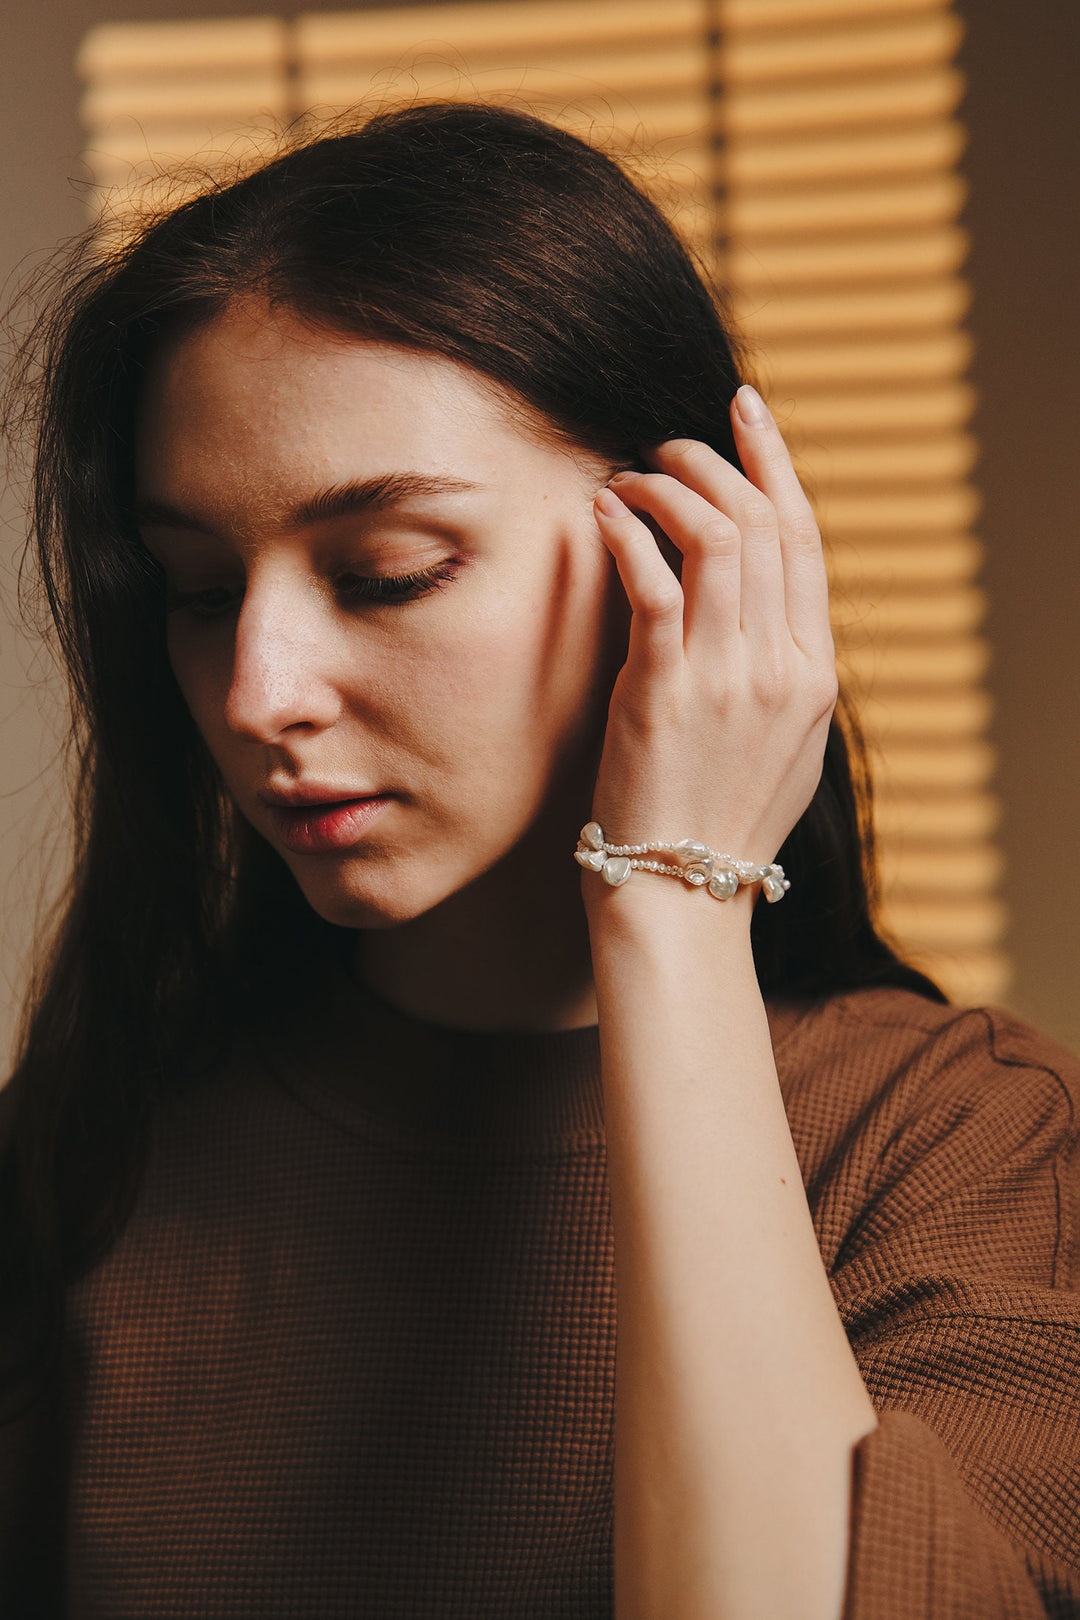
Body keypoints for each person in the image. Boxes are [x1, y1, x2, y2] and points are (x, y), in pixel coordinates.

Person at [1, 98, 1078, 1620]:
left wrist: (672, 899)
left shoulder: (970, 1155)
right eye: (195, 590)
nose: (256, 693)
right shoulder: (97, 1147)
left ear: (693, 553)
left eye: (387, 575)